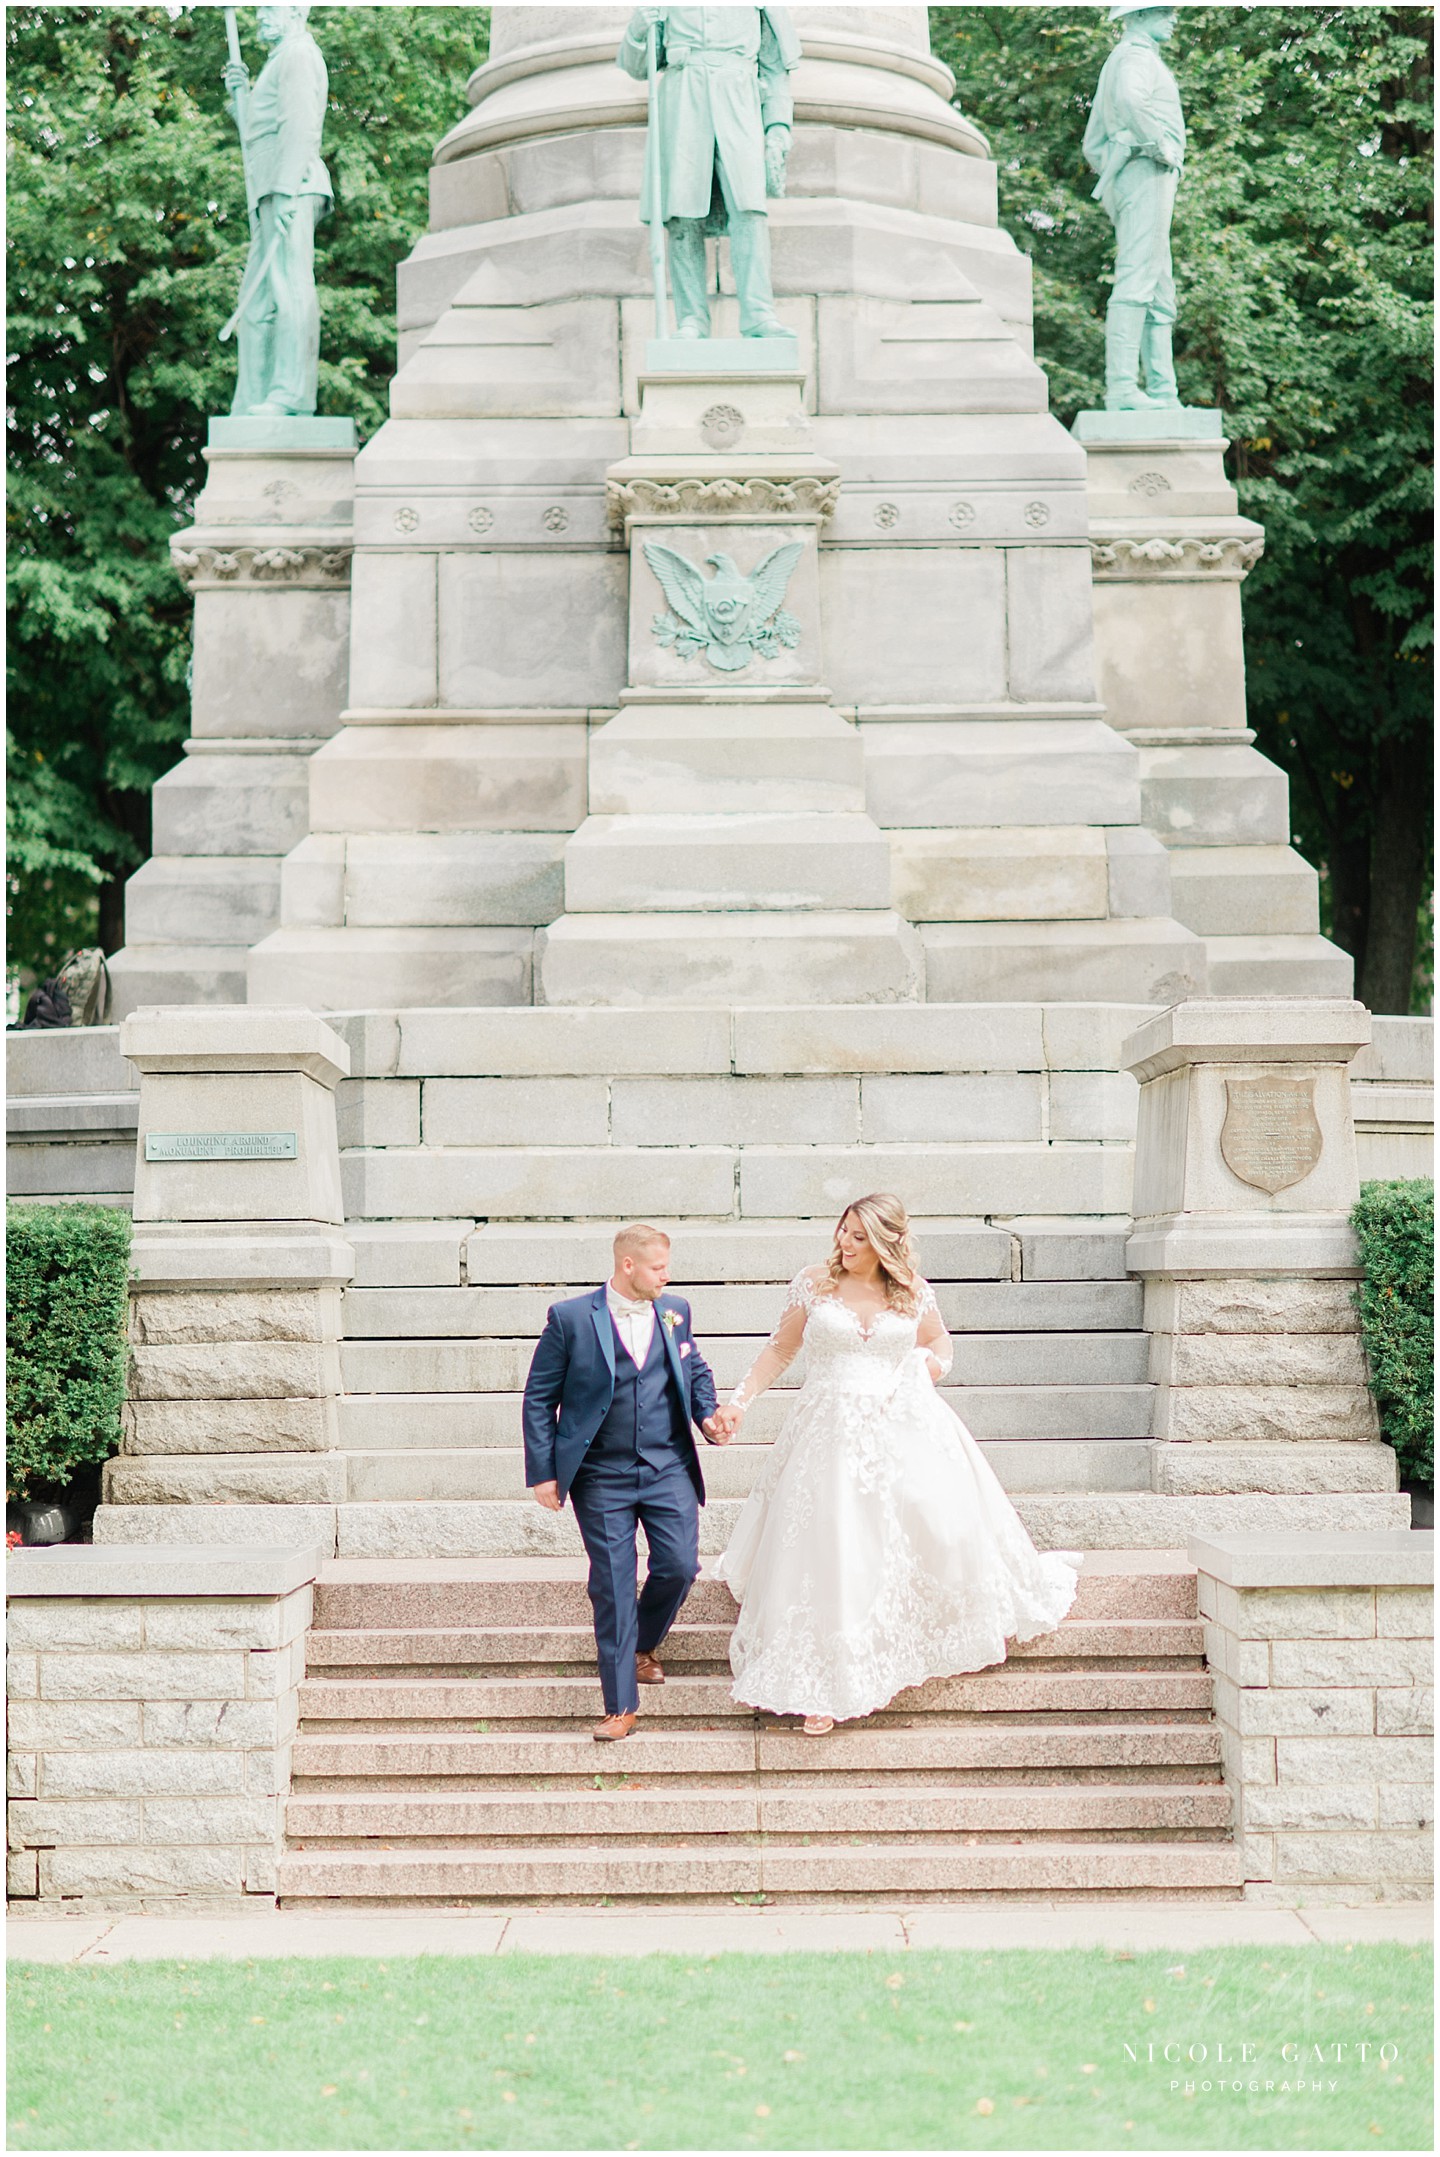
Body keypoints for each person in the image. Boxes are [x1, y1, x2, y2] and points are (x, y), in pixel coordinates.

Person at [711, 1195, 1081, 1735]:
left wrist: (922, 1371)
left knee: (930, 1527)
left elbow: (939, 1345)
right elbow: (779, 1351)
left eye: (861, 1237)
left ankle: (914, 1633)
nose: (846, 1244)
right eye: (843, 1231)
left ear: (888, 1242)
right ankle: (823, 1682)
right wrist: (739, 1402)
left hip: (900, 1425)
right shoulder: (813, 1284)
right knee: (833, 1545)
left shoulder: (910, 1291)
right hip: (826, 1433)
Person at [522, 1224, 726, 1742]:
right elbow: (539, 1398)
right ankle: (619, 1706)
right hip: (600, 1474)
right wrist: (543, 1471)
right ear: (628, 1266)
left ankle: (641, 1644)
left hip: (667, 1464)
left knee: (680, 1566)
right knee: (612, 1582)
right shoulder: (569, 1319)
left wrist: (708, 1416)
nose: (667, 1275)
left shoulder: (674, 1311)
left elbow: (694, 1369)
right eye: (658, 1267)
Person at [618, 4, 801, 338]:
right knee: (682, 215)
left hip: (739, 96)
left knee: (750, 209)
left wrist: (778, 125)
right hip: (683, 97)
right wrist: (636, 31)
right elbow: (638, 67)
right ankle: (692, 319)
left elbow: (775, 69)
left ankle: (759, 314)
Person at [223, 3, 332, 416]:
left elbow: (302, 126)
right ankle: (251, 398)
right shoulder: (279, 59)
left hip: (290, 186)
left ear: (297, 11)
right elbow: (259, 133)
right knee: (257, 302)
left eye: (271, 8)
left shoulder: (299, 54)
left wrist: (286, 189)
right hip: (269, 186)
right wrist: (242, 98)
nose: (260, 17)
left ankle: (290, 395)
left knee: (290, 288)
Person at [1083, 3, 1185, 410]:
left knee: (1159, 287)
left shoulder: (1128, 58)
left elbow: (1092, 143)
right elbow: (1130, 100)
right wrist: (1159, 146)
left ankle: (1163, 391)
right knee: (1139, 278)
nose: (1174, 18)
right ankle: (1123, 389)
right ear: (1138, 17)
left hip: (1141, 173)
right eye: (1165, 11)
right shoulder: (1134, 56)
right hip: (1145, 170)